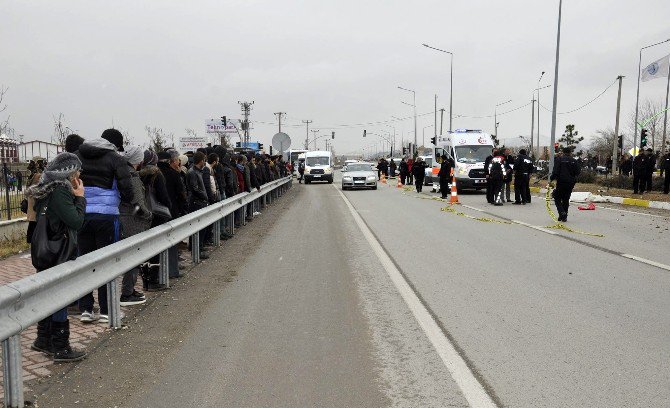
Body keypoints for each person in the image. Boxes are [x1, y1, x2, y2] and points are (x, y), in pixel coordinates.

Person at [26, 152, 87, 362]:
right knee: (59, 296)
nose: (80, 173)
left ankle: (43, 339)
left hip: (45, 249)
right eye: (77, 169)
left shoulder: (45, 188)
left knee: (46, 295)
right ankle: (61, 347)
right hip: (57, 251)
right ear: (69, 173)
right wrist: (80, 198)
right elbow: (75, 221)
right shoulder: (61, 190)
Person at [75, 129, 134, 324]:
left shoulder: (77, 156)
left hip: (81, 214)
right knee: (106, 262)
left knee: (84, 261)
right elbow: (127, 190)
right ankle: (106, 310)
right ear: (115, 144)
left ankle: (85, 308)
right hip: (107, 216)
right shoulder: (115, 158)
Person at [118, 146, 151, 303]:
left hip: (123, 218)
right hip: (133, 221)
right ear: (138, 160)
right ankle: (127, 292)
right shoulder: (133, 177)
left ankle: (128, 290)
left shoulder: (121, 173)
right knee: (134, 256)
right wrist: (148, 214)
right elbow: (138, 203)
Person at [186, 152, 210, 259]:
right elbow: (194, 189)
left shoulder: (198, 171)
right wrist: (205, 196)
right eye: (204, 160)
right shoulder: (192, 172)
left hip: (200, 202)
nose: (205, 162)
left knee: (201, 228)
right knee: (198, 228)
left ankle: (198, 248)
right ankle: (197, 251)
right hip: (196, 203)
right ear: (201, 161)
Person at [550, 147, 581, 222]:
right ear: (570, 152)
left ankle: (562, 212)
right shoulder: (574, 160)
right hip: (571, 182)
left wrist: (551, 179)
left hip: (561, 182)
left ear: (563, 152)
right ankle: (564, 216)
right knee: (566, 199)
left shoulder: (559, 159)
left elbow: (555, 171)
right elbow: (578, 172)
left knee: (557, 197)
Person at [25, 157, 45, 243]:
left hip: (31, 200)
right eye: (42, 163)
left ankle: (33, 242)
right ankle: (36, 243)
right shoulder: (39, 175)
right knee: (36, 224)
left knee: (33, 223)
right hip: (37, 202)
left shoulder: (31, 174)